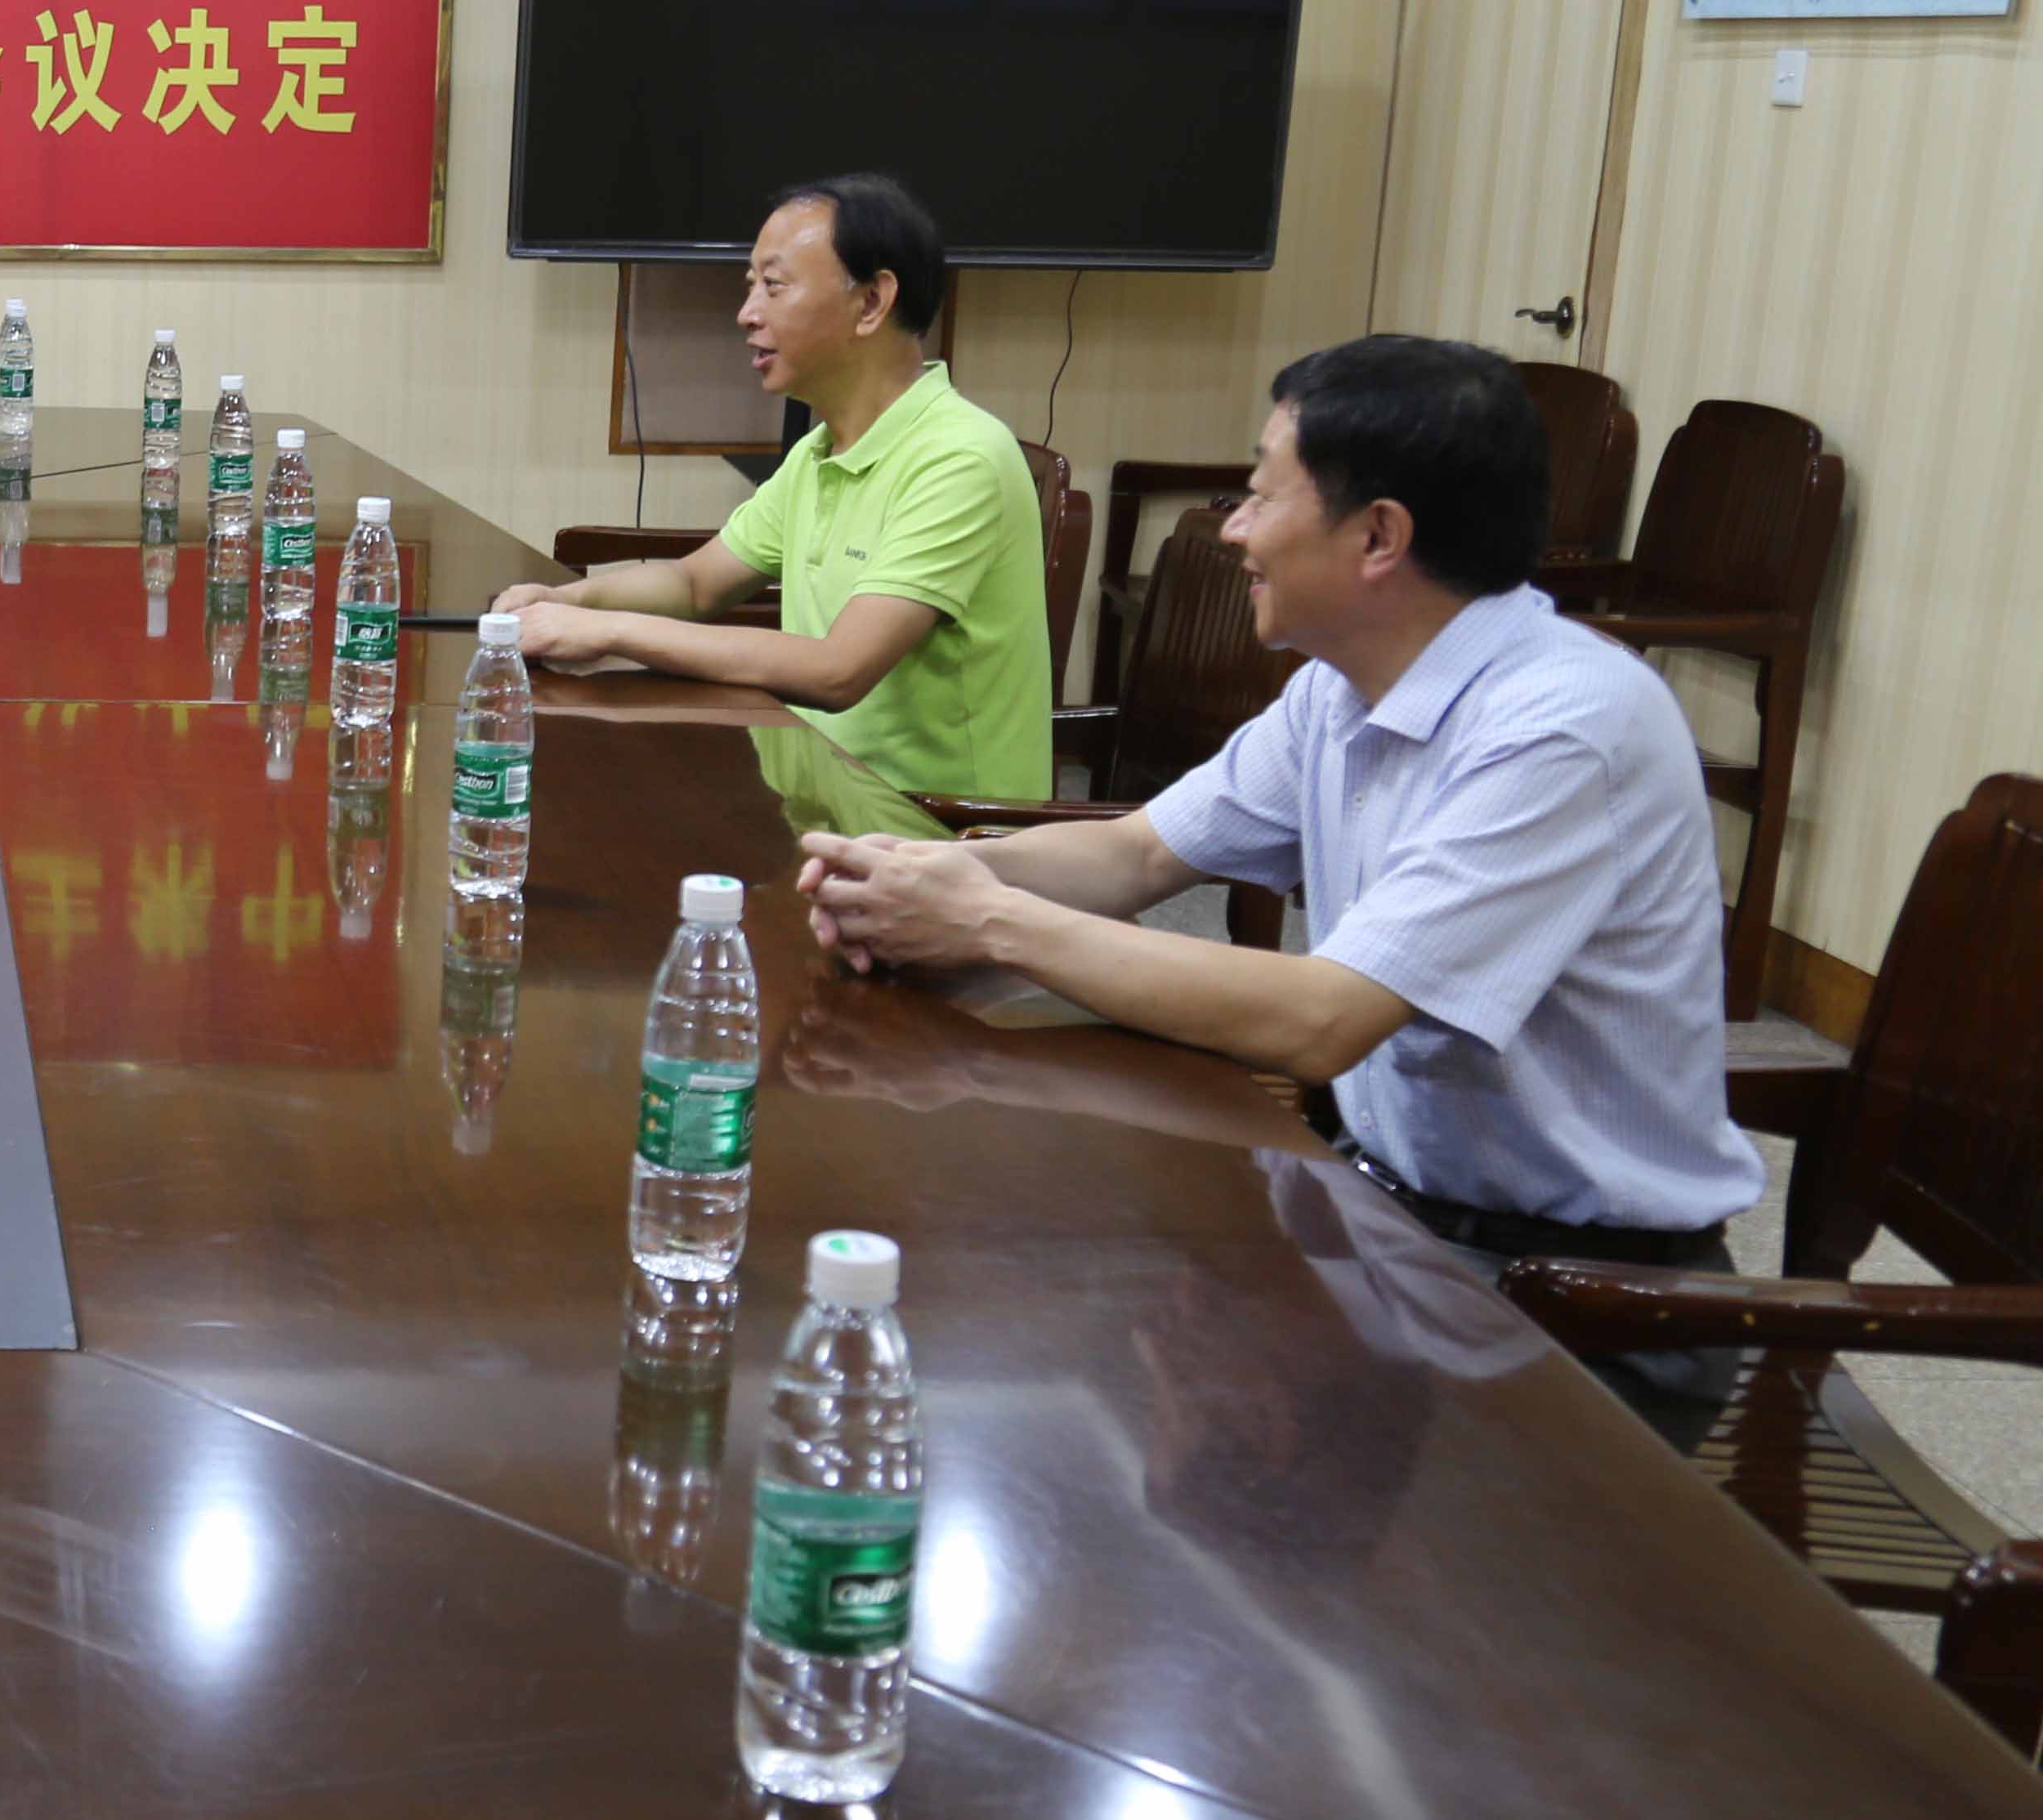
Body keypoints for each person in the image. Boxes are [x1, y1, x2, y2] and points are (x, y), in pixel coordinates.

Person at [793, 334, 1759, 1448]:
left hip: (1581, 1306)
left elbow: (1323, 1020)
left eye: (1259, 496)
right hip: (1393, 1230)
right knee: (1025, 1281)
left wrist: (988, 921)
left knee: (1098, 1392)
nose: (1233, 530)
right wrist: (932, 876)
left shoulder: (1562, 726)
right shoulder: (1343, 687)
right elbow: (1138, 856)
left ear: (1378, 536)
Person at [492, 174, 1049, 800]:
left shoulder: (959, 458)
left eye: (774, 285)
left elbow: (839, 671)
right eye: (751, 285)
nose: (747, 313)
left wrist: (611, 633)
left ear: (871, 302)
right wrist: (568, 600)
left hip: (938, 831)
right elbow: (696, 584)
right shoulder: (821, 452)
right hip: (823, 798)